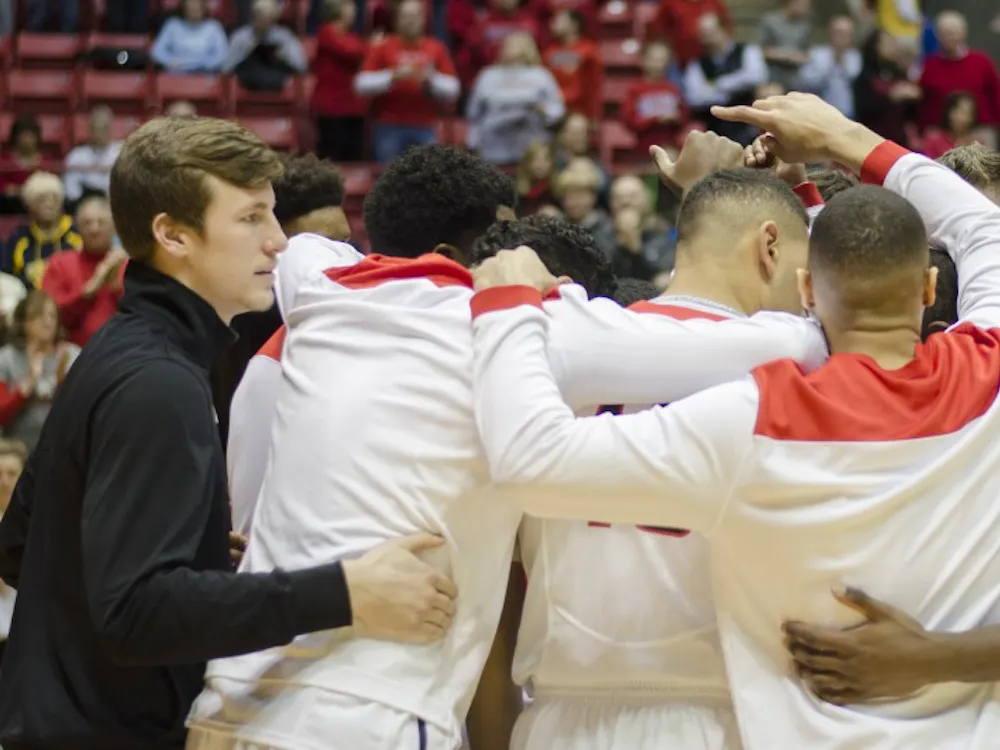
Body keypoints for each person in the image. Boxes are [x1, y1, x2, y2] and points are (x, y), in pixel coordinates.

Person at [188, 140, 830, 750]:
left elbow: (301, 249)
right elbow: (798, 343)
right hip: (371, 710)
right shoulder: (533, 332)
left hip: (232, 697)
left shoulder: (321, 287)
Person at [467, 92, 1000, 748]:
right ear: (925, 289)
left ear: (811, 288)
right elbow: (983, 232)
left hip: (562, 710)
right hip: (731, 714)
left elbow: (527, 461)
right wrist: (844, 138)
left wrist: (506, 301)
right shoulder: (950, 373)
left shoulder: (748, 407)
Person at [0, 117, 457, 750]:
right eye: (250, 219)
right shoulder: (159, 383)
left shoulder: (119, 349)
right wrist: (345, 591)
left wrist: (195, 549)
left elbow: (21, 544)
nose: (278, 243)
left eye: (273, 216)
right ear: (172, 234)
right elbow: (135, 612)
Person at [213, 153, 352, 445]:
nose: (337, 254)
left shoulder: (354, 306)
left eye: (344, 242)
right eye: (319, 243)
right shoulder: (239, 314)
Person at [41, 195, 126, 348]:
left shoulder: (130, 266)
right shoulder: (59, 264)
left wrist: (118, 290)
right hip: (71, 355)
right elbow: (51, 317)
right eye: (87, 223)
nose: (94, 229)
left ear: (115, 227)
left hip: (123, 352)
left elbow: (144, 315)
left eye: (101, 222)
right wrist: (89, 290)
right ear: (78, 228)